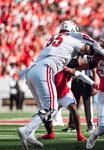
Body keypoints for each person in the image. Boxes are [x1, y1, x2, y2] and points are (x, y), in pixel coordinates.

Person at [17, 20, 96, 150]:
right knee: (51, 109)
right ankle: (27, 129)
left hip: (31, 71)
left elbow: (72, 63)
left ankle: (30, 134)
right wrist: (101, 54)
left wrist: (91, 65)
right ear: (73, 30)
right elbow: (88, 50)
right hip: (44, 70)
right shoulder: (71, 39)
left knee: (44, 110)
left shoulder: (55, 39)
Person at [37, 67, 99, 141]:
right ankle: (50, 134)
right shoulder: (43, 70)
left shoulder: (63, 69)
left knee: (73, 107)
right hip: (52, 97)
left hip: (64, 95)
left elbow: (79, 74)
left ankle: (79, 134)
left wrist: (93, 83)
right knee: (46, 117)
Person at [62, 57, 97, 132]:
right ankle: (72, 125)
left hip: (86, 81)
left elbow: (94, 69)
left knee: (87, 104)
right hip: (75, 80)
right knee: (73, 103)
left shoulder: (86, 55)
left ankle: (90, 125)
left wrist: (94, 83)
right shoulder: (73, 54)